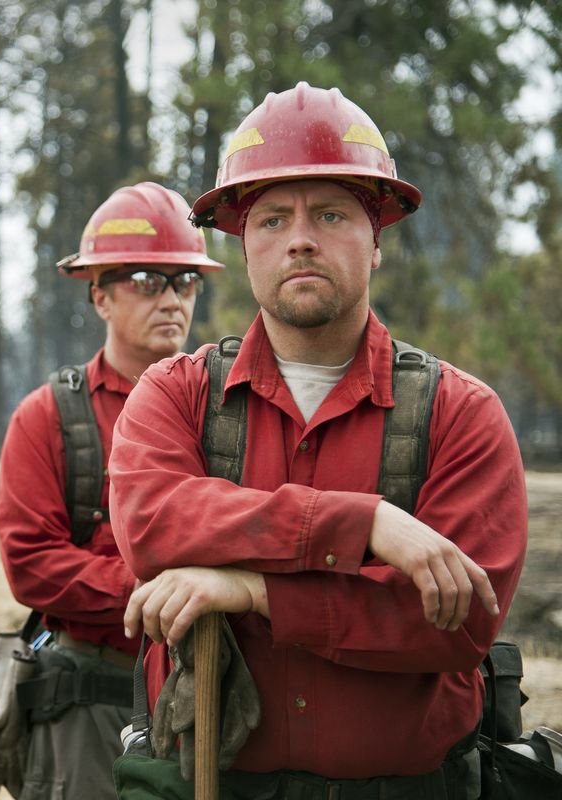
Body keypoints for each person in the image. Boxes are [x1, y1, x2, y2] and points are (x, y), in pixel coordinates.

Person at [110, 81, 526, 799]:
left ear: (377, 242)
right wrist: (362, 525)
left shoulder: (461, 412)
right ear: (244, 249)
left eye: (330, 213)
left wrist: (247, 588)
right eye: (271, 219)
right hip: (215, 781)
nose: (299, 237)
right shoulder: (176, 393)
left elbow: (455, 626)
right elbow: (155, 525)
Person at [0, 183, 223, 800]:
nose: (171, 299)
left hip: (208, 691)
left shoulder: (227, 410)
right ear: (99, 295)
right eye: (147, 279)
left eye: (185, 281)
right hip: (91, 696)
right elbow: (31, 565)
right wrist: (154, 594)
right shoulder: (48, 416)